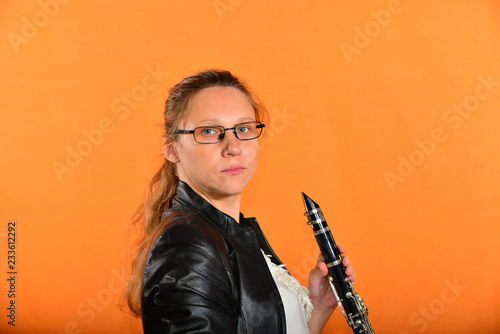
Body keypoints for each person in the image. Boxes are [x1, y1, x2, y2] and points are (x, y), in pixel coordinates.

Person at [124, 69, 356, 333]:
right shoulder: (188, 245)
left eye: (243, 128)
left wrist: (318, 307)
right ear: (172, 149)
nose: (233, 147)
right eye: (210, 131)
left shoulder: (229, 231)